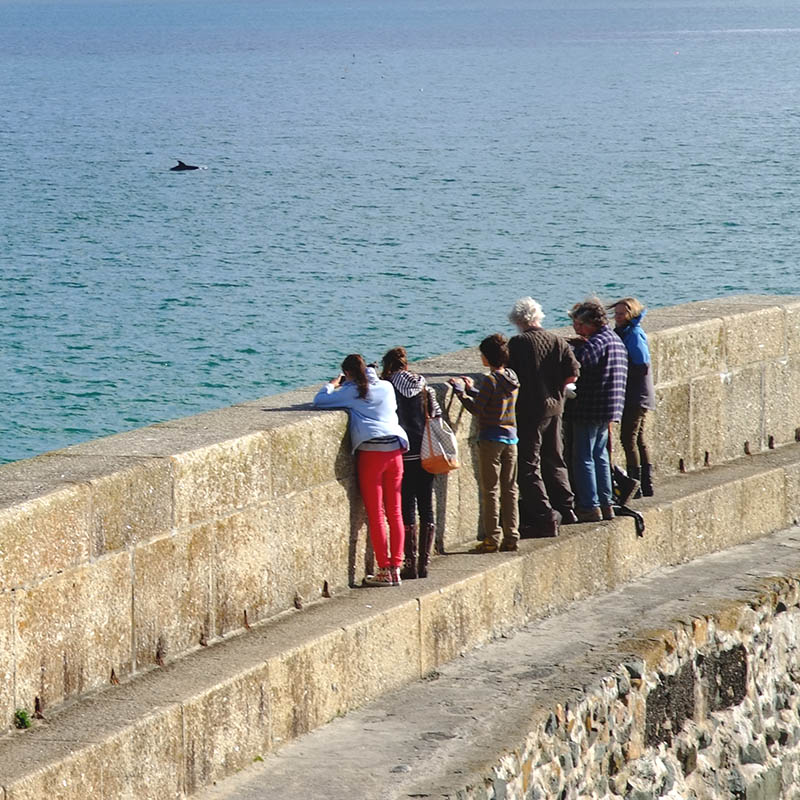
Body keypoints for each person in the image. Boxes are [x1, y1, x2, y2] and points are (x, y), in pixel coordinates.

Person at [313, 354, 409, 586]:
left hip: (372, 454)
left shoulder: (352, 391)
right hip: (395, 451)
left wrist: (333, 385)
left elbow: (320, 400)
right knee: (395, 511)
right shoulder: (386, 386)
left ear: (348, 373)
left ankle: (384, 569)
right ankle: (396, 567)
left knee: (376, 514)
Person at [507, 297, 580, 537]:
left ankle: (544, 514)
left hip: (529, 410)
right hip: (555, 407)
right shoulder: (557, 340)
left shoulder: (518, 343)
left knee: (528, 464)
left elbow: (510, 377)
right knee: (555, 457)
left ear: (518, 320)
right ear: (538, 316)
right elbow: (572, 374)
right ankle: (567, 508)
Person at [449, 334, 521, 552]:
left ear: (487, 357)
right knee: (510, 489)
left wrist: (461, 394)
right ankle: (512, 536)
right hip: (511, 438)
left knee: (491, 490)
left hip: (491, 439)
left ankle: (492, 538)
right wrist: (472, 390)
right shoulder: (511, 376)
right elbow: (494, 398)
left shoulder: (490, 380)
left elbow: (477, 409)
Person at [381, 347, 442, 579]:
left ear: (388, 366)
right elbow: (436, 415)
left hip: (402, 454)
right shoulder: (424, 387)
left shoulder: (387, 388)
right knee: (427, 507)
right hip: (426, 453)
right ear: (406, 365)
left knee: (406, 508)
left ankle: (410, 563)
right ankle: (424, 564)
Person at [567, 298, 628, 522]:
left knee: (583, 456)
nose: (577, 328)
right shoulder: (613, 338)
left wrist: (572, 348)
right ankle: (606, 503)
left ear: (591, 323)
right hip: (609, 407)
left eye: (579, 325)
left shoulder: (597, 342)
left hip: (590, 407)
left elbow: (578, 363)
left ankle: (589, 505)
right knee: (600, 455)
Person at [611, 297, 655, 497]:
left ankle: (636, 484)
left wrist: (621, 373)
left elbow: (642, 365)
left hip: (636, 395)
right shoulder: (626, 332)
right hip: (638, 394)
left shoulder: (634, 334)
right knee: (638, 439)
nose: (617, 317)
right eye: (616, 313)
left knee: (629, 439)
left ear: (632, 314)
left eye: (622, 314)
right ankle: (645, 484)